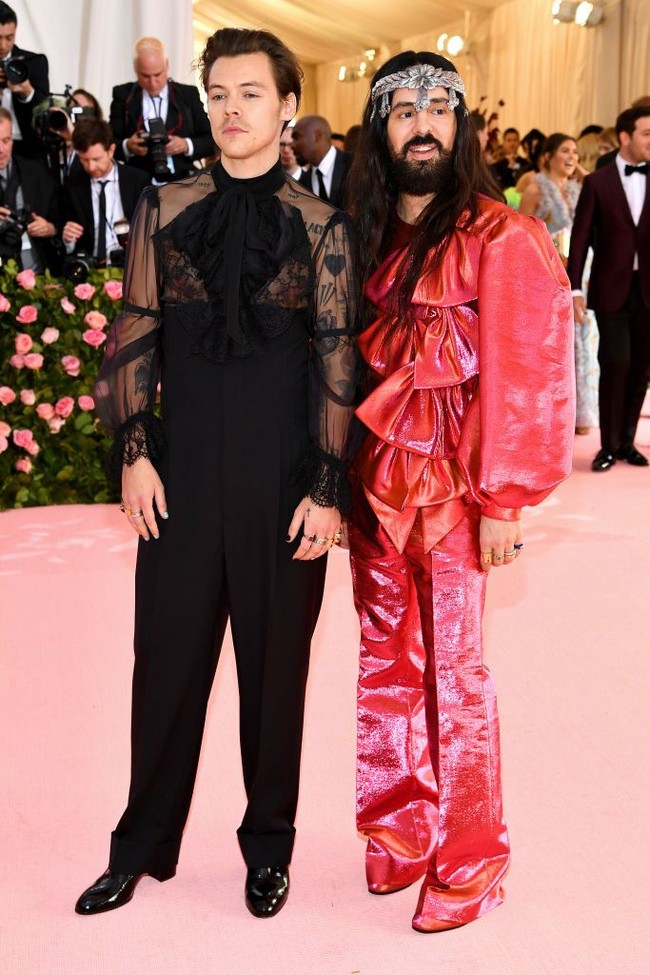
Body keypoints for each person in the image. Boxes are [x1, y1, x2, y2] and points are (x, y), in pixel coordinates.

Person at [75, 26, 357, 919]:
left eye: (251, 93)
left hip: (283, 485)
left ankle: (268, 846)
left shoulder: (322, 225)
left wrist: (327, 486)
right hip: (183, 476)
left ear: (287, 107)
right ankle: (138, 845)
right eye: (220, 94)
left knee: (276, 678)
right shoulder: (164, 207)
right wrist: (135, 449)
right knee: (164, 664)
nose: (233, 110)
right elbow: (135, 334)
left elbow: (336, 360)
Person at [345, 50, 574, 932]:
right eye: (403, 109)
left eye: (438, 107)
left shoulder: (501, 236)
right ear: (380, 129)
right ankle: (398, 828)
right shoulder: (364, 233)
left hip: (457, 497)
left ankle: (472, 857)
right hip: (374, 490)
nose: (422, 124)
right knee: (383, 660)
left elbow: (529, 374)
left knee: (457, 675)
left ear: (461, 124)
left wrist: (504, 501)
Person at [568, 105, 650, 471]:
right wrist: (574, 289)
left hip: (647, 289)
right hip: (610, 287)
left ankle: (628, 441)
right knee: (616, 360)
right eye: (647, 134)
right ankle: (608, 445)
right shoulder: (597, 183)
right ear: (625, 137)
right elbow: (580, 239)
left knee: (642, 365)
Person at [520, 133, 599, 435]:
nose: (572, 157)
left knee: (584, 337)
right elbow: (522, 237)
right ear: (547, 156)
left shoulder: (580, 189)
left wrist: (580, 171)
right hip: (548, 272)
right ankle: (553, 411)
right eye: (565, 151)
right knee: (555, 339)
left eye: (576, 152)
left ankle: (582, 410)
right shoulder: (535, 188)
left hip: (582, 272)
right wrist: (551, 252)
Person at [109, 36, 215, 183]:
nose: (153, 82)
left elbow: (211, 140)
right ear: (135, 69)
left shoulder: (187, 94)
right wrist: (128, 146)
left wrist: (186, 145)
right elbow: (109, 143)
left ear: (167, 65)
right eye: (145, 76)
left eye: (158, 74)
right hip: (138, 183)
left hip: (183, 181)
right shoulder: (123, 95)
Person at [61, 118, 150, 265]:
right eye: (84, 160)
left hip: (132, 264)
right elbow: (71, 242)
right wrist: (68, 239)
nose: (91, 167)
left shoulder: (137, 181)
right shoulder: (73, 186)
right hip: (90, 266)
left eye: (96, 159)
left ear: (111, 150)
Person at [0, 106, 61, 271]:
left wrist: (50, 228)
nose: (1, 150)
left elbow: (60, 217)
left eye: (6, 141)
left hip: (38, 270)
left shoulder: (36, 172)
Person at [0, 1, 48, 159]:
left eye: (9, 38)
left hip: (26, 148)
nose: (3, 45)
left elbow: (44, 109)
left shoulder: (34, 63)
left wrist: (28, 93)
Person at [292, 113, 352, 207]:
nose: (292, 145)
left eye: (297, 137)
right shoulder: (301, 185)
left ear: (318, 136)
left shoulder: (356, 165)